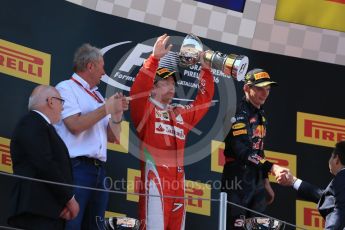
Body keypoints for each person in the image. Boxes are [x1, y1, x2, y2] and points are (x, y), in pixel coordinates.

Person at [130, 34, 214, 230]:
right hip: (155, 186)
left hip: (178, 187)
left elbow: (204, 101)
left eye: (174, 83)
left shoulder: (180, 114)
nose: (172, 87)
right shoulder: (145, 112)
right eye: (166, 83)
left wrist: (206, 70)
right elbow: (137, 91)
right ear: (152, 89)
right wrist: (154, 60)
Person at [54, 43, 129, 229]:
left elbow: (113, 138)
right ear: (90, 66)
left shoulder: (97, 95)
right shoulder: (66, 88)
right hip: (76, 168)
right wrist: (106, 109)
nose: (104, 72)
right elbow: (75, 126)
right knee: (72, 224)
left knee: (94, 226)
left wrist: (117, 114)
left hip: (99, 171)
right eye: (102, 66)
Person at [221, 68, 288, 229]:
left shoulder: (261, 116)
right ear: (246, 88)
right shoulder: (238, 113)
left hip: (255, 182)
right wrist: (272, 167)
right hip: (237, 181)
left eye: (268, 89)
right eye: (259, 88)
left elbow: (259, 149)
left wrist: (265, 181)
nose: (264, 93)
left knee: (254, 227)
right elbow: (243, 152)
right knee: (237, 226)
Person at [8, 85, 79, 229]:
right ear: (51, 101)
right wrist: (69, 199)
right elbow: (44, 163)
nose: (63, 108)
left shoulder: (41, 126)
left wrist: (64, 201)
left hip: (49, 211)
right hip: (36, 212)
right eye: (61, 102)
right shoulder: (31, 122)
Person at [277, 141, 345, 229]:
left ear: (337, 159)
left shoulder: (342, 177)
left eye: (332, 156)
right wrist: (293, 181)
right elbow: (327, 199)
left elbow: (340, 211)